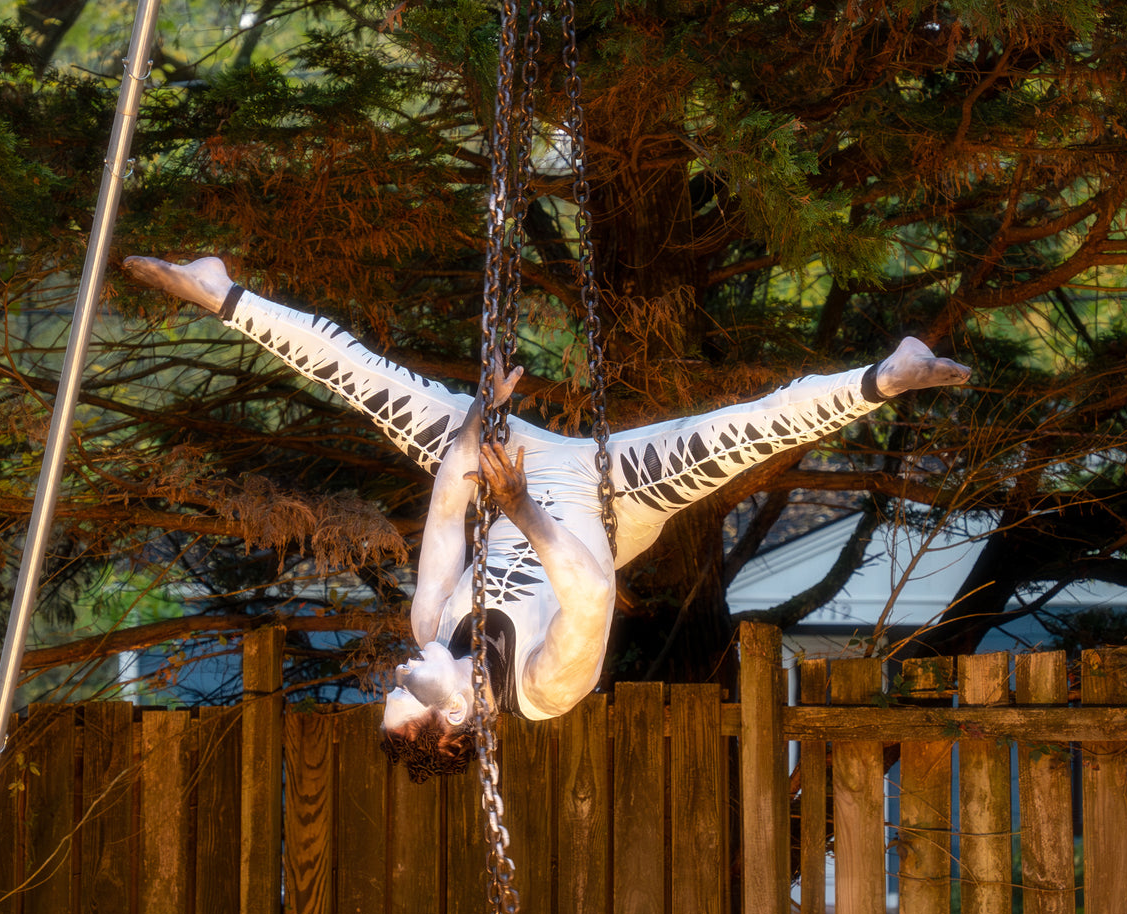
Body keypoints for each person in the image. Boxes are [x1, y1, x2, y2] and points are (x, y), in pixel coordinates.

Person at [123, 255, 971, 781]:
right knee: (739, 432)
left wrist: (478, 416)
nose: (401, 671)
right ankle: (883, 380)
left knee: (371, 385)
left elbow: (448, 508)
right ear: (453, 716)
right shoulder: (542, 689)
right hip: (609, 495)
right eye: (407, 692)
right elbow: (593, 590)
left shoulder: (430, 621)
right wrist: (524, 503)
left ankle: (224, 293)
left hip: (500, 465)